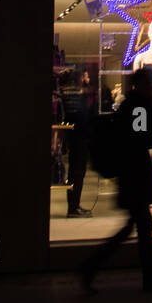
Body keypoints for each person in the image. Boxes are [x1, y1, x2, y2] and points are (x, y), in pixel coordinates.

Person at [80, 69, 152, 293]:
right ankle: (95, 267)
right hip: (135, 173)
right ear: (142, 85)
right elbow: (142, 137)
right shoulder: (138, 106)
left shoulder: (132, 104)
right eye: (150, 83)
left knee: (137, 226)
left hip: (132, 172)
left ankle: (95, 268)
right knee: (141, 225)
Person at [58, 68, 91, 217]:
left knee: (75, 172)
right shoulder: (76, 95)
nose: (87, 78)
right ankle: (73, 207)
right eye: (85, 76)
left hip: (75, 137)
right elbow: (80, 116)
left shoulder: (70, 93)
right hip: (79, 138)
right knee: (77, 173)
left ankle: (74, 205)